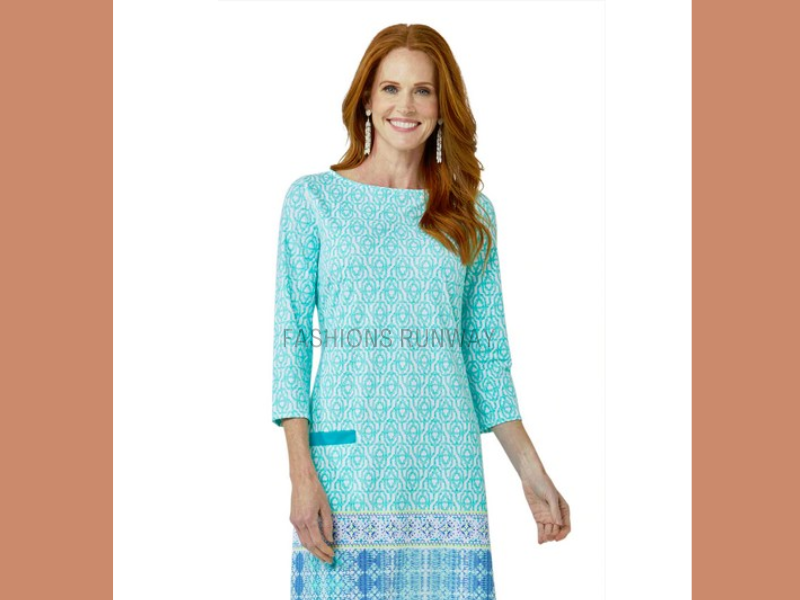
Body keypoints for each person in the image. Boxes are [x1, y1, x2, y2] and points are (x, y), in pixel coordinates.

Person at [272, 23, 570, 599]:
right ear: (366, 99)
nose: (405, 106)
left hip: (447, 473)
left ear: (441, 106)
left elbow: (487, 358)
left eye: (422, 91)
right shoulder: (313, 201)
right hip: (348, 472)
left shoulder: (470, 214)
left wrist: (533, 474)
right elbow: (291, 344)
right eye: (390, 88)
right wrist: (300, 475)